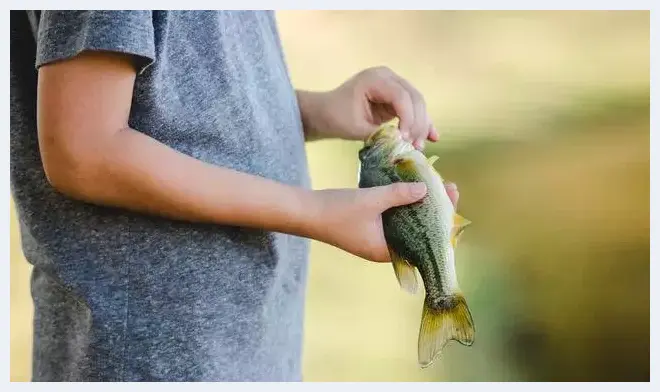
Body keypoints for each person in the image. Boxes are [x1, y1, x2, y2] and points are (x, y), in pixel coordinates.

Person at [9, 10, 459, 382]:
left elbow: (183, 102)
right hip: (155, 355)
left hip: (250, 347)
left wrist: (318, 110)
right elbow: (84, 151)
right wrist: (315, 211)